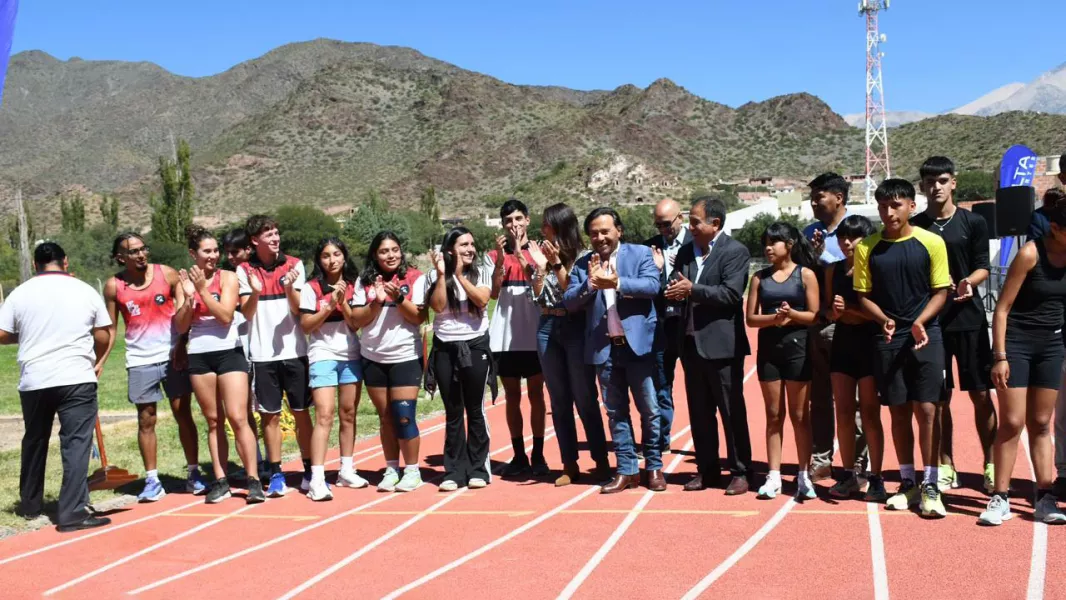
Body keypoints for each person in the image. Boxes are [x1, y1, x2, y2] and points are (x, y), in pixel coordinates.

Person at [854, 178, 951, 519]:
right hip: (888, 338)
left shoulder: (932, 242)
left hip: (927, 335)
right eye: (883, 206)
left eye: (895, 205)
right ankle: (907, 481)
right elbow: (862, 296)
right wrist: (883, 320)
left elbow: (941, 290)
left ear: (912, 206)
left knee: (927, 410)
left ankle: (931, 485)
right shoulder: (867, 247)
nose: (889, 212)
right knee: (897, 410)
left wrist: (921, 321)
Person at [0, 243, 113, 532]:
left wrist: (28, 337)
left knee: (35, 439)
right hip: (75, 375)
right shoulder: (85, 290)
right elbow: (103, 333)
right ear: (65, 261)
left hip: (35, 378)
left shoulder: (20, 293)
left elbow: (2, 333)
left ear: (36, 264)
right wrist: (97, 359)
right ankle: (73, 511)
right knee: (75, 443)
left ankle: (30, 503)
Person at [98, 233, 206, 502]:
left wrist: (182, 344)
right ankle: (152, 479)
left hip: (173, 356)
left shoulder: (167, 274)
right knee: (146, 420)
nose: (141, 254)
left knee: (183, 414)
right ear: (120, 257)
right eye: (133, 251)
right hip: (139, 360)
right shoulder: (113, 286)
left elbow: (185, 313)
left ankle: (193, 474)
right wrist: (99, 360)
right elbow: (110, 329)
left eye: (143, 248)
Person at [564, 207, 664, 493]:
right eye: (594, 233)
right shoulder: (585, 264)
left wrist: (617, 282)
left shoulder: (640, 254)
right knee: (616, 412)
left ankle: (654, 467)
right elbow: (570, 301)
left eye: (605, 231)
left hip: (637, 347)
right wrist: (590, 284)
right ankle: (627, 470)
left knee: (650, 410)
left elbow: (651, 285)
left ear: (618, 230)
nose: (600, 237)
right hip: (603, 348)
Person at [912, 156, 997, 493]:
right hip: (933, 322)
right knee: (940, 397)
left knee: (979, 394)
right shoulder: (916, 225)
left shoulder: (973, 222)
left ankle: (991, 462)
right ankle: (946, 465)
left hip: (969, 319)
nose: (937, 187)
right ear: (921, 186)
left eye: (943, 180)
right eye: (930, 182)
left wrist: (968, 283)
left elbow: (982, 266)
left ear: (954, 183)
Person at [979, 201, 1066, 525]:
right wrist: (999, 356)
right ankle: (1000, 498)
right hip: (1016, 343)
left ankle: (1045, 497)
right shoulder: (1030, 254)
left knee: (1042, 423)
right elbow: (1001, 309)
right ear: (1055, 229)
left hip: (1052, 345)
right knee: (1013, 422)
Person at [667, 196, 753, 495]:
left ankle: (741, 471)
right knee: (700, 413)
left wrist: (693, 290)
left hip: (722, 346)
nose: (689, 227)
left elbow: (731, 294)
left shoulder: (735, 251)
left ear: (715, 224)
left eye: (695, 222)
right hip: (690, 344)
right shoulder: (685, 253)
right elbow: (677, 284)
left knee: (731, 412)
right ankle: (708, 470)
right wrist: (675, 291)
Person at [175, 226, 265, 504]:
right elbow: (181, 325)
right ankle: (221, 479)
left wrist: (202, 290)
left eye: (216, 250)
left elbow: (226, 315)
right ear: (194, 253)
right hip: (200, 355)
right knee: (213, 421)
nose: (213, 256)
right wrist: (189, 299)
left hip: (229, 352)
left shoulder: (228, 277)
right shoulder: (183, 282)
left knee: (238, 418)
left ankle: (253, 480)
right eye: (207, 251)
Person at [529, 203, 610, 486]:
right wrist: (540, 268)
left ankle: (601, 460)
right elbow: (538, 297)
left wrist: (555, 264)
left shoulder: (584, 258)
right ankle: (569, 463)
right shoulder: (540, 254)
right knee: (559, 400)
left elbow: (572, 294)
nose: (542, 230)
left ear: (560, 226)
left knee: (585, 398)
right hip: (547, 326)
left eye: (546, 225)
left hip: (575, 327)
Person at [236, 215, 313, 497]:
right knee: (269, 416)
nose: (275, 238)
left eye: (277, 233)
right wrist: (256, 292)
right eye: (268, 234)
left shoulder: (295, 265)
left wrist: (288, 287)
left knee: (302, 413)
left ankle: (310, 469)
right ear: (254, 241)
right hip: (262, 355)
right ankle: (276, 472)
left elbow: (298, 309)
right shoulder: (243, 270)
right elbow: (246, 312)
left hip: (295, 351)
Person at [747, 222, 820, 500]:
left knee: (801, 416)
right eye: (766, 242)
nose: (768, 247)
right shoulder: (759, 278)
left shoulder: (806, 275)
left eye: (774, 242)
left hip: (798, 351)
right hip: (769, 353)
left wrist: (792, 316)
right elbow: (751, 319)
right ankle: (773, 476)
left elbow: (814, 315)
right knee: (774, 415)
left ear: (789, 245)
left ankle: (804, 475)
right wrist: (774, 319)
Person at [350, 231, 428, 492]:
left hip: (405, 356)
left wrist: (398, 298)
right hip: (373, 357)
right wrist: (377, 302)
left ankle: (413, 471)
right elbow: (357, 320)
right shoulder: (365, 281)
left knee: (404, 416)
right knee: (386, 418)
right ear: (375, 254)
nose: (390, 255)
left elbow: (419, 317)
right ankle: (392, 468)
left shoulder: (414, 277)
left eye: (395, 250)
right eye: (384, 251)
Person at [803, 172, 867, 483]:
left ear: (839, 198)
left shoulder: (858, 231)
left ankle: (857, 462)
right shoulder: (809, 232)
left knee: (854, 400)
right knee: (820, 395)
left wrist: (822, 257)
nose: (814, 201)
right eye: (812, 196)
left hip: (853, 324)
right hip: (820, 324)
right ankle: (821, 457)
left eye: (820, 196)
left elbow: (859, 274)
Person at [824, 215, 888, 501]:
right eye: (842, 237)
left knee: (871, 413)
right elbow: (827, 312)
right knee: (845, 412)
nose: (847, 242)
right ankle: (848, 473)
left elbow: (880, 314)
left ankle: (876, 476)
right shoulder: (832, 271)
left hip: (869, 342)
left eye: (854, 237)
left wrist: (849, 307)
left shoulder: (875, 269)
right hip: (842, 342)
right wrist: (836, 313)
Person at [425, 227, 494, 491]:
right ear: (450, 248)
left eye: (472, 244)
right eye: (464, 244)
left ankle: (478, 469)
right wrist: (444, 275)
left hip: (475, 348)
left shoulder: (482, 271)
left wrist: (459, 276)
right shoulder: (433, 275)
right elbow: (438, 306)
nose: (470, 249)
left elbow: (481, 299)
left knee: (475, 409)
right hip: (445, 350)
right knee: (453, 411)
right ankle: (453, 471)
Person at [299, 237, 365, 500]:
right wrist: (328, 305)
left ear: (344, 257)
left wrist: (343, 302)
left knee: (348, 414)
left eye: (336, 254)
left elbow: (356, 324)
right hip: (322, 354)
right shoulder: (310, 287)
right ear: (319, 260)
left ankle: (346, 470)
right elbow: (306, 326)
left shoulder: (356, 284)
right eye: (326, 255)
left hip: (351, 354)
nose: (332, 260)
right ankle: (316, 478)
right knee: (324, 415)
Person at [487, 199, 549, 477]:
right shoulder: (492, 256)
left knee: (536, 394)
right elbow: (492, 293)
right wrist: (502, 259)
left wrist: (521, 255)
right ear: (503, 225)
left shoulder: (540, 250)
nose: (514, 225)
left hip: (534, 333)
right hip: (504, 337)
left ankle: (538, 452)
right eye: (508, 221)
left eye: (518, 219)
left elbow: (538, 285)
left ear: (527, 220)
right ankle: (518, 454)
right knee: (512, 396)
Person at [222, 228, 268, 481]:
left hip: (262, 346)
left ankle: (271, 462)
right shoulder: (228, 276)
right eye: (227, 252)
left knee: (266, 409)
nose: (230, 257)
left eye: (235, 251)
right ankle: (257, 461)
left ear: (249, 250)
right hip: (240, 346)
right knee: (245, 409)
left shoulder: (257, 273)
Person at [644, 198, 687, 453]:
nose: (662, 229)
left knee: (698, 387)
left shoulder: (698, 244)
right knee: (661, 384)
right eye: (658, 224)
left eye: (667, 224)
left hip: (689, 326)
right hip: (659, 326)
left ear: (680, 218)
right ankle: (662, 438)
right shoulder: (648, 247)